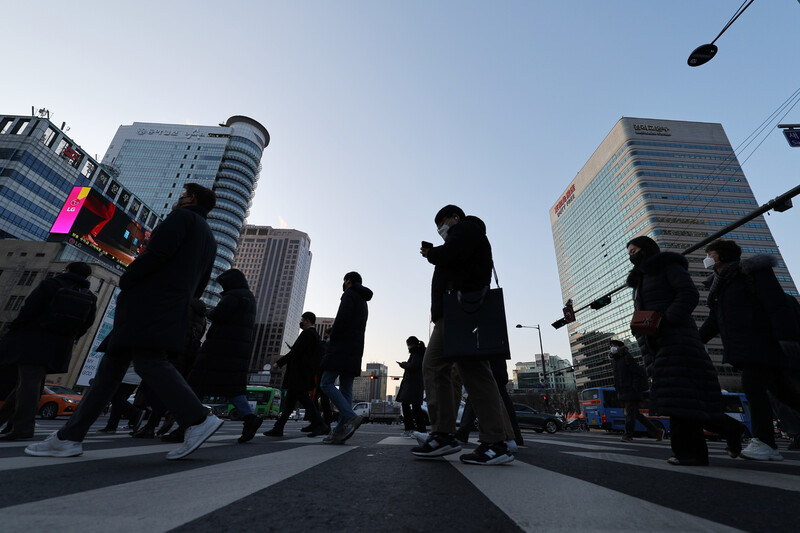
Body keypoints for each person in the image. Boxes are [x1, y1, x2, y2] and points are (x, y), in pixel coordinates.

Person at [25, 183, 223, 460]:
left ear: (191, 199)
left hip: (148, 302)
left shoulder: (180, 218)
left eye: (182, 195)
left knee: (148, 360)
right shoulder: (209, 238)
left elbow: (156, 254)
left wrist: (128, 279)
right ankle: (68, 437)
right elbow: (200, 285)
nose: (178, 200)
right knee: (109, 370)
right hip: (170, 305)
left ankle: (198, 418)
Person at [625, 235, 745, 466]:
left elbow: (688, 294)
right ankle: (732, 430)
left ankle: (690, 454)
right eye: (629, 253)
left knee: (680, 400)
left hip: (676, 339)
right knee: (683, 399)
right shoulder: (640, 281)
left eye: (634, 250)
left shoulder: (668, 266)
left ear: (647, 249)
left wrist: (667, 320)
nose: (631, 256)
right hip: (657, 343)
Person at [415, 205, 514, 465]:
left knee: (436, 365)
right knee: (474, 373)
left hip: (460, 312)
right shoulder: (467, 235)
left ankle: (448, 435)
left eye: (442, 223)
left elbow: (449, 253)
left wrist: (430, 253)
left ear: (454, 217)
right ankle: (491, 441)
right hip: (459, 312)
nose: (441, 230)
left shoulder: (467, 228)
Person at [698, 239, 800, 461]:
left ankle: (765, 442)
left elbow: (777, 304)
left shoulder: (752, 273)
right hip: (746, 347)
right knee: (786, 394)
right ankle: (766, 443)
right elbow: (714, 321)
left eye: (710, 254)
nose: (706, 258)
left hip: (763, 344)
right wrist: (694, 341)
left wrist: (787, 338)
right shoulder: (719, 285)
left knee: (753, 388)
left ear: (721, 256)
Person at [0, 262, 97, 441]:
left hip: (35, 340)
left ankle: (23, 428)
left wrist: (14, 329)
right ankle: (8, 421)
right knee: (27, 382)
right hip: (60, 347)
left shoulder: (51, 285)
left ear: (67, 270)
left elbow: (29, 309)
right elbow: (87, 323)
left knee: (28, 383)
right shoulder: (89, 295)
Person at [187, 269, 260, 443]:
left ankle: (191, 422)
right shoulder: (248, 297)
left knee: (195, 383)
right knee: (233, 388)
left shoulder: (233, 295)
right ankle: (250, 417)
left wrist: (208, 312)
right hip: (237, 350)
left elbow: (220, 315)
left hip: (220, 348)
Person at [319, 272, 373, 444]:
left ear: (348, 281)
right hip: (355, 349)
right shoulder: (363, 301)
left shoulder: (349, 294)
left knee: (326, 383)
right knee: (346, 389)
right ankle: (340, 430)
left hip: (341, 347)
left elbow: (342, 320)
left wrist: (332, 337)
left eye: (344, 281)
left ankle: (350, 416)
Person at [264, 312, 329, 438]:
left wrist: (279, 362)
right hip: (305, 373)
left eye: (303, 320)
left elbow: (295, 352)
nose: (301, 322)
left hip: (299, 373)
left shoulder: (307, 334)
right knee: (290, 403)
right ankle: (278, 428)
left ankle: (320, 424)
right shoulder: (315, 335)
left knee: (304, 399)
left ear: (307, 321)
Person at [608, 339, 664, 442]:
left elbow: (637, 373)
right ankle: (657, 431)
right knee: (636, 415)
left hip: (631, 391)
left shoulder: (627, 357)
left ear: (620, 347)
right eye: (611, 345)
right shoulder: (614, 361)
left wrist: (635, 387)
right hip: (623, 392)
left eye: (614, 345)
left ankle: (627, 435)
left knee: (630, 414)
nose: (612, 347)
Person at [397, 336, 426, 437]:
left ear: (411, 344)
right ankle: (421, 430)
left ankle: (410, 429)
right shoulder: (420, 352)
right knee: (416, 407)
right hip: (416, 384)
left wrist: (404, 365)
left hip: (412, 384)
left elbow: (413, 366)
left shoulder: (416, 353)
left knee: (406, 405)